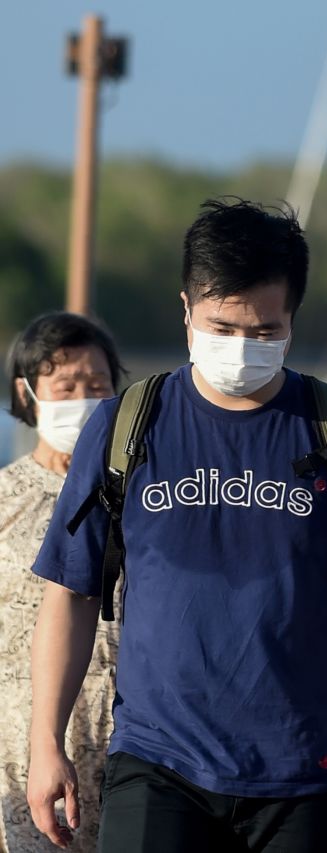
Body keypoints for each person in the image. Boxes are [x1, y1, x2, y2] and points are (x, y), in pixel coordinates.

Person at [26, 199, 327, 853]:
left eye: (264, 331)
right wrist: (45, 742)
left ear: (292, 320)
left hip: (309, 772)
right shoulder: (124, 426)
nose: (242, 348)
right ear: (186, 308)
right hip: (157, 763)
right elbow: (72, 591)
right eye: (223, 326)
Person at [1, 313, 122, 852]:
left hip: (132, 738)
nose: (83, 397)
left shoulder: (142, 494)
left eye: (96, 386)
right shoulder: (6, 496)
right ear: (28, 393)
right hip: (20, 743)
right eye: (66, 386)